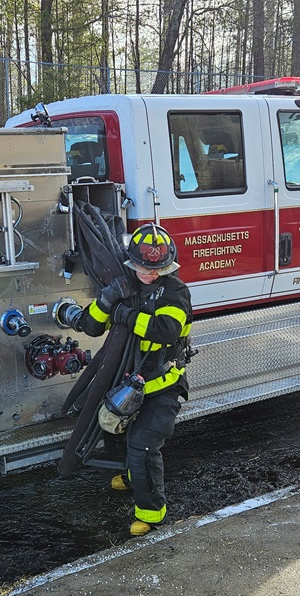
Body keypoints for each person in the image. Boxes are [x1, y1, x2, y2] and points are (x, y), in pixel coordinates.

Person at [76, 223, 192, 536]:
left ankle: (152, 514)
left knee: (142, 445)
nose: (148, 274)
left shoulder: (176, 292)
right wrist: (106, 300)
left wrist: (127, 315)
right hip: (124, 384)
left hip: (162, 385)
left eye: (156, 269)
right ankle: (130, 477)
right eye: (142, 267)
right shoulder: (124, 284)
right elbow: (90, 326)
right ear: (132, 263)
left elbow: (166, 330)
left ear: (168, 266)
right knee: (115, 434)